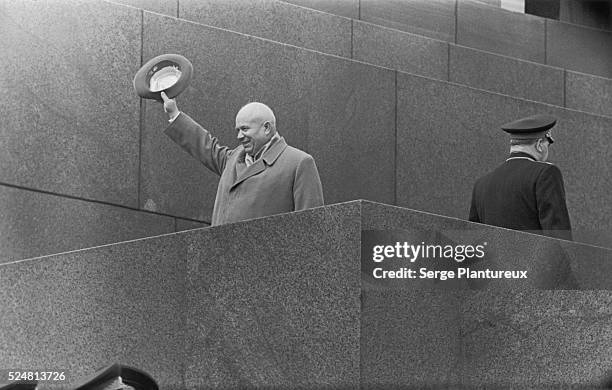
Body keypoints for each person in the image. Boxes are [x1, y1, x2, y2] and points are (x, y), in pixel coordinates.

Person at [160, 92, 324, 226]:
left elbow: (310, 226)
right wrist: (174, 113)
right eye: (237, 130)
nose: (239, 136)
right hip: (220, 260)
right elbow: (205, 146)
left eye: (245, 129)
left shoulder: (299, 163)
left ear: (266, 128)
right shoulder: (233, 159)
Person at [468, 114, 572, 240]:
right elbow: (557, 236)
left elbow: (474, 242)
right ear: (539, 144)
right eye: (547, 144)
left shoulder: (481, 184)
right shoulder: (545, 173)